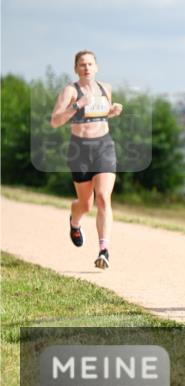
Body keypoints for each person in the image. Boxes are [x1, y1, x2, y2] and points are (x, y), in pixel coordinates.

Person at [50, 50, 123, 269]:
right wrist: (77, 104)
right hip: (80, 149)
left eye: (90, 64)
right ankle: (75, 221)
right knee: (85, 204)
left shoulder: (105, 89)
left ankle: (104, 250)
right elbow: (55, 121)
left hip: (103, 146)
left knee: (103, 197)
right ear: (76, 68)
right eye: (82, 64)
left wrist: (112, 111)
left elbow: (100, 115)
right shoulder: (70, 91)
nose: (87, 68)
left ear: (96, 67)